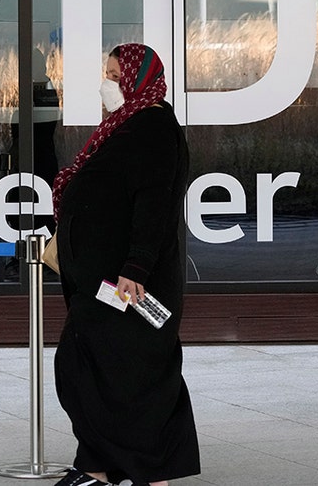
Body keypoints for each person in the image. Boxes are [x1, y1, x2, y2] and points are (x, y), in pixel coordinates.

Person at [50, 44, 200, 486]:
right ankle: (97, 467)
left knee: (127, 375)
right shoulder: (126, 125)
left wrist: (135, 268)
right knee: (94, 371)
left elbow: (153, 205)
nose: (107, 82)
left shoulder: (153, 127)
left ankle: (149, 474)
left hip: (129, 285)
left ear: (136, 79)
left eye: (116, 74)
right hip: (103, 281)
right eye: (107, 72)